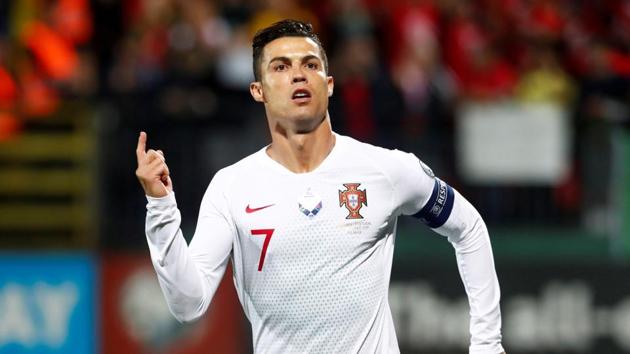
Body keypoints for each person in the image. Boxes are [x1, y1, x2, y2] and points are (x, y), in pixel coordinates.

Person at [135, 19, 506, 354]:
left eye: (310, 65)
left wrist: (487, 344)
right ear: (258, 90)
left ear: (328, 84)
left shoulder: (385, 169)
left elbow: (468, 228)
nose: (298, 75)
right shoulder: (232, 187)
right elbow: (188, 304)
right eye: (280, 67)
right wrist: (162, 208)